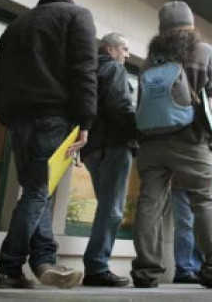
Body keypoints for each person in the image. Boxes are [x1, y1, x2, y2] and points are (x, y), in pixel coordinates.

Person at [0, 0, 96, 289]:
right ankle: (9, 268)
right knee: (37, 191)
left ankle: (44, 259)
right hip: (53, 119)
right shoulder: (78, 17)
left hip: (19, 121)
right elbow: (84, 71)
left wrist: (7, 116)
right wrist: (86, 121)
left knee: (38, 191)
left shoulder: (16, 26)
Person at [131, 1, 212, 289]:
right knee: (204, 200)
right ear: (191, 26)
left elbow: (141, 102)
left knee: (149, 204)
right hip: (190, 141)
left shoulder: (150, 59)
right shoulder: (205, 52)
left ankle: (145, 271)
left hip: (152, 142)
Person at [79, 33, 136, 287]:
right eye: (124, 48)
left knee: (106, 207)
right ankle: (97, 267)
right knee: (112, 209)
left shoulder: (88, 68)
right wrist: (141, 131)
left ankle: (96, 265)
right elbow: (120, 106)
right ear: (111, 48)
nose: (128, 54)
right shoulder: (113, 68)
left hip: (91, 148)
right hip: (113, 145)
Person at [172, 157, 212, 284]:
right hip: (190, 183)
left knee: (189, 226)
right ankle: (186, 270)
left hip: (186, 182)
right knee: (187, 226)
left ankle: (191, 268)